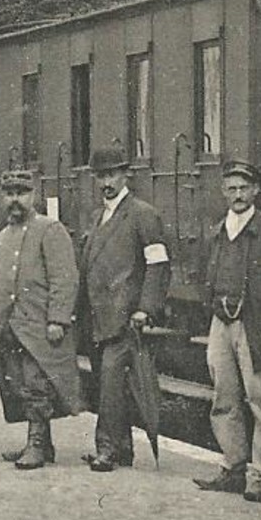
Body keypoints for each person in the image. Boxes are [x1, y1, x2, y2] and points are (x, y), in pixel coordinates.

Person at [191, 160, 261, 502]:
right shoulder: (217, 232)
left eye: (244, 188)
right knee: (223, 397)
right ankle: (233, 466)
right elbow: (205, 278)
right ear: (223, 192)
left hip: (256, 327)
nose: (238, 195)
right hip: (222, 324)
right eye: (231, 188)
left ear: (256, 191)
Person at [0, 170, 81, 470]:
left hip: (38, 326)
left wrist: (58, 319)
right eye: (9, 193)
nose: (15, 200)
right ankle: (39, 443)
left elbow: (65, 278)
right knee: (20, 385)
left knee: (37, 384)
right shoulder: (1, 237)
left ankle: (37, 444)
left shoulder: (49, 229)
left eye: (21, 193)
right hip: (10, 327)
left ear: (33, 195)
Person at [78, 147, 170, 472]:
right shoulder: (97, 216)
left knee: (112, 384)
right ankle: (122, 449)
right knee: (107, 383)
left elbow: (158, 264)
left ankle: (107, 448)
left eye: (112, 174)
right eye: (101, 176)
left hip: (124, 317)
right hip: (98, 315)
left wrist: (146, 308)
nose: (107, 182)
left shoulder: (142, 214)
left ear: (125, 174)